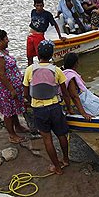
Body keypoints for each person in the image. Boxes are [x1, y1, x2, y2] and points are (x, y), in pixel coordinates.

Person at [22, 40, 71, 175]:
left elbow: (26, 93)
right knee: (61, 135)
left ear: (38, 55)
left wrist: (33, 102)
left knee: (47, 139)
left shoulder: (29, 70)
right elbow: (65, 93)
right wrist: (69, 108)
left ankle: (57, 167)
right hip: (54, 107)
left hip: (39, 109)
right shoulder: (57, 70)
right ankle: (66, 159)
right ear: (51, 55)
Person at [0, 29, 28, 144]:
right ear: (0, 41)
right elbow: (0, 74)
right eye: (6, 38)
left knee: (13, 107)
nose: (8, 40)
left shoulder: (2, 51)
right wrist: (11, 89)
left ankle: (18, 126)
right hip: (4, 88)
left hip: (11, 85)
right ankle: (12, 135)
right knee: (8, 112)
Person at [27, 0, 64, 66]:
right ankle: (29, 72)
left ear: (43, 5)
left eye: (41, 6)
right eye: (37, 6)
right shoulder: (33, 12)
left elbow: (55, 25)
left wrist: (60, 36)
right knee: (29, 56)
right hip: (30, 36)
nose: (39, 8)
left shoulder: (47, 14)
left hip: (39, 36)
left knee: (41, 57)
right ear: (34, 6)